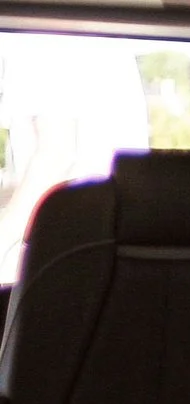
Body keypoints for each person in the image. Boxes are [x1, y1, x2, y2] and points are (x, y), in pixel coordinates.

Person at [0, 34, 148, 281]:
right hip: (108, 240)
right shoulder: (88, 33)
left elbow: (55, 156)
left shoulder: (34, 38)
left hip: (71, 247)